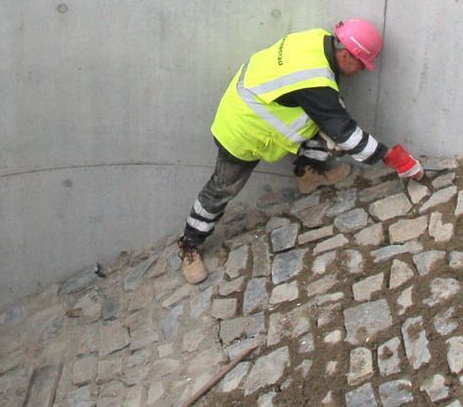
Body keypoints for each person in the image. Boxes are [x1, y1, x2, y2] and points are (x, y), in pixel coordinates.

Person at [177, 20, 425, 284]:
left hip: (255, 107)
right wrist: (392, 158)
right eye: (362, 64)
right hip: (242, 129)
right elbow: (345, 133)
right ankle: (189, 244)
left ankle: (309, 173)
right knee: (222, 188)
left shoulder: (316, 42)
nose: (362, 70)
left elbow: (331, 108)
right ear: (345, 55)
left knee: (330, 120)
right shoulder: (313, 81)